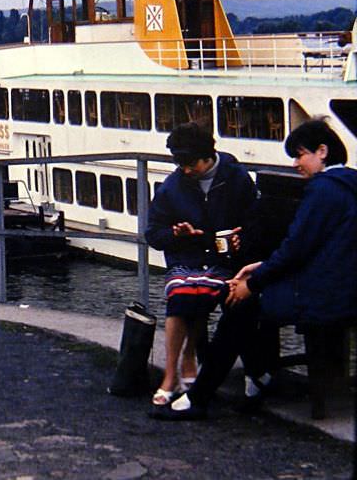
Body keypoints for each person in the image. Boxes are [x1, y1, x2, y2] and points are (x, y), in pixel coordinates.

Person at [152, 118, 357, 420]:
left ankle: (202, 395)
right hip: (342, 284)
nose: (296, 163)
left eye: (300, 155)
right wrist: (259, 268)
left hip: (326, 294)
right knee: (246, 294)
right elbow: (310, 248)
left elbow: (295, 248)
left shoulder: (323, 190)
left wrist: (254, 281)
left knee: (240, 303)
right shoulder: (348, 184)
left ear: (322, 151)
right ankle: (256, 376)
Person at [145, 122, 257, 407]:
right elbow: (153, 233)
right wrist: (176, 233)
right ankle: (173, 373)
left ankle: (187, 360)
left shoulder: (236, 178)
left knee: (195, 292)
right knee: (184, 292)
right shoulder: (173, 186)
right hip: (188, 258)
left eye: (190, 163)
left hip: (223, 260)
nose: (185, 170)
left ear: (208, 156)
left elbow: (254, 221)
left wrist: (241, 236)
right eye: (179, 163)